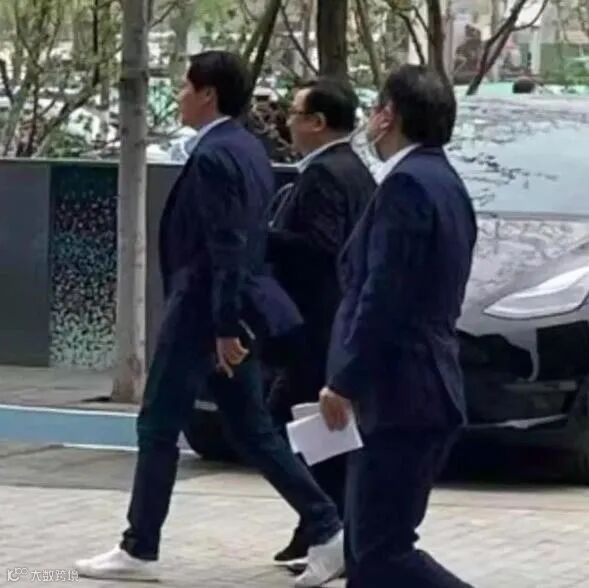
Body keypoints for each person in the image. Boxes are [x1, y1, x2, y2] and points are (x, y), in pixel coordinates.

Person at [75, 51, 344, 588]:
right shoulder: (248, 149)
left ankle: (139, 547)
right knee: (251, 429)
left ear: (208, 95)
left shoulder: (216, 155)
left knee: (158, 425)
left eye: (184, 87)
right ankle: (327, 526)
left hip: (202, 312)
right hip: (224, 309)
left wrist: (223, 325)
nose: (179, 96)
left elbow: (227, 245)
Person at [319, 65, 478, 588]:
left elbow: (383, 296)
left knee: (381, 553)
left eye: (375, 109)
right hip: (419, 389)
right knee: (366, 555)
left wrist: (345, 380)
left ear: (388, 116)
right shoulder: (446, 183)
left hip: (401, 392)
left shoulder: (406, 186)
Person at [266, 77, 375, 565]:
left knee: (275, 424)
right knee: (321, 430)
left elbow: (322, 249)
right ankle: (319, 527)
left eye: (294, 113)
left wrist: (264, 237)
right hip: (336, 324)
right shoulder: (354, 169)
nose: (287, 122)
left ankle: (323, 522)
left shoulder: (325, 175)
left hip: (319, 323)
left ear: (317, 122)